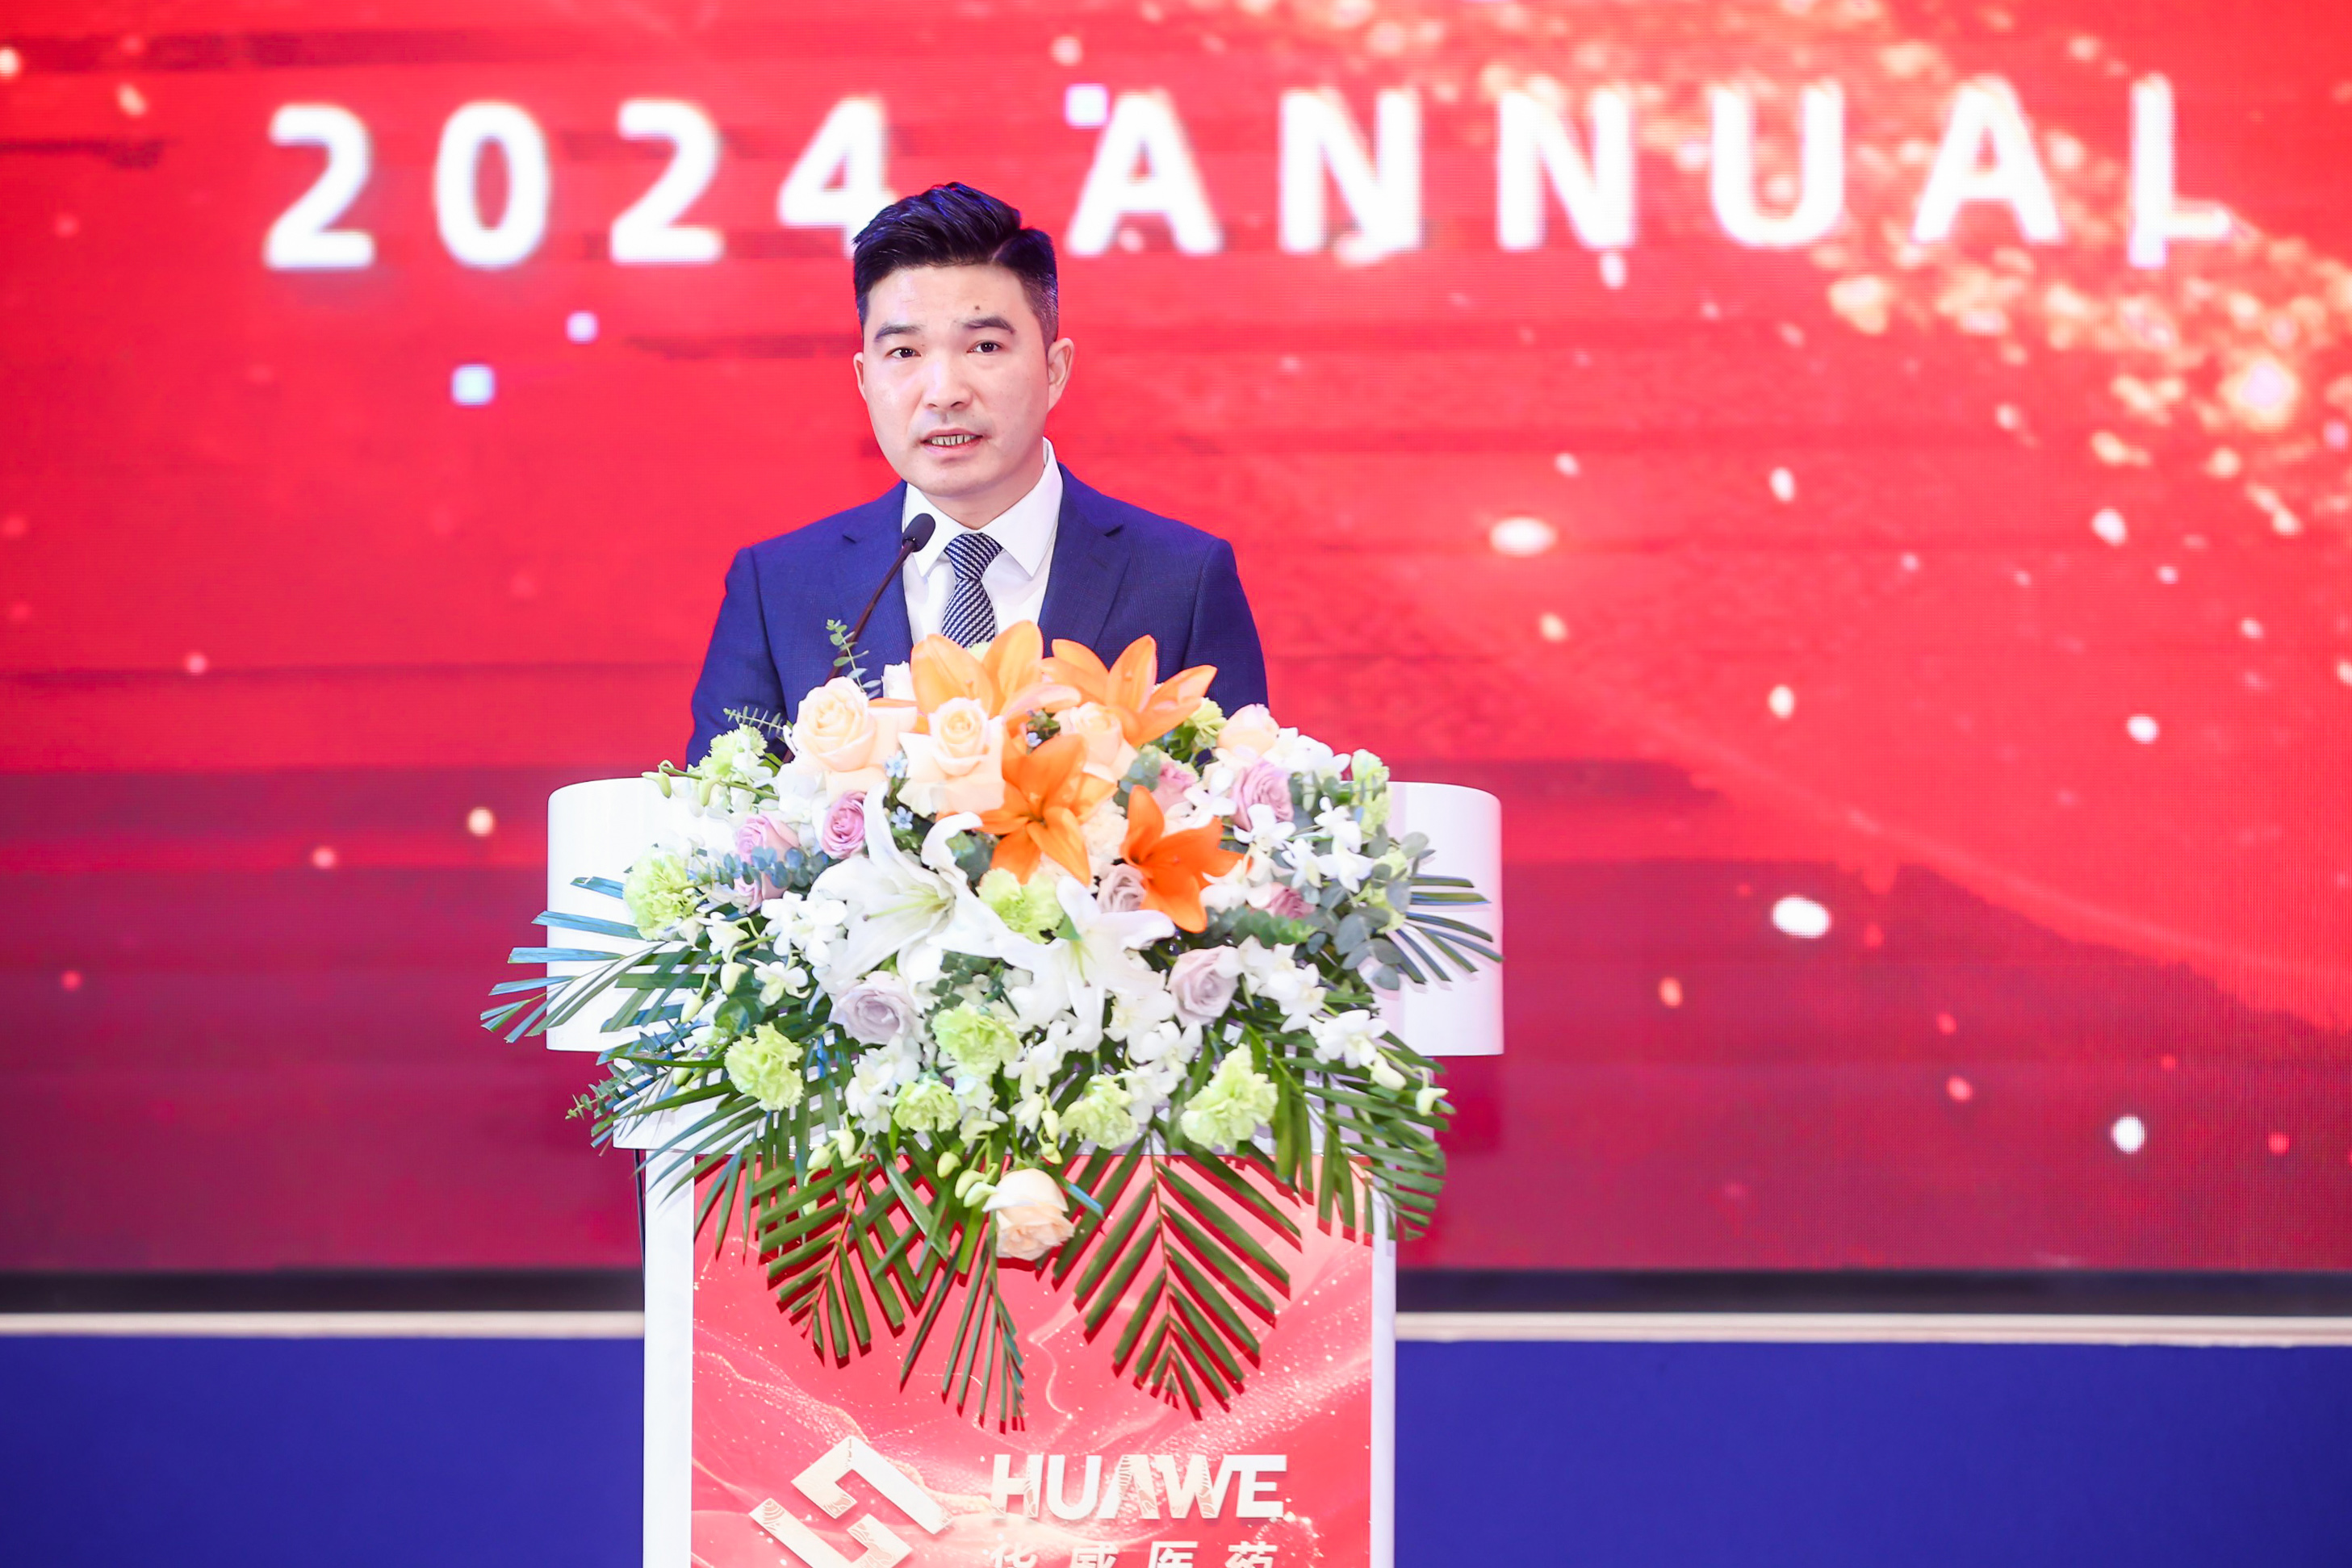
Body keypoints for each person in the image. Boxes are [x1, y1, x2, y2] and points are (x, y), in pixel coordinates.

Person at [686, 182, 1268, 762]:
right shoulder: (778, 589)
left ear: (1055, 370)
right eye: (905, 353)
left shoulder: (1182, 581)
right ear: (863, 379)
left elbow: (1232, 808)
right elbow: (720, 813)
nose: (944, 393)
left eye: (984, 347)